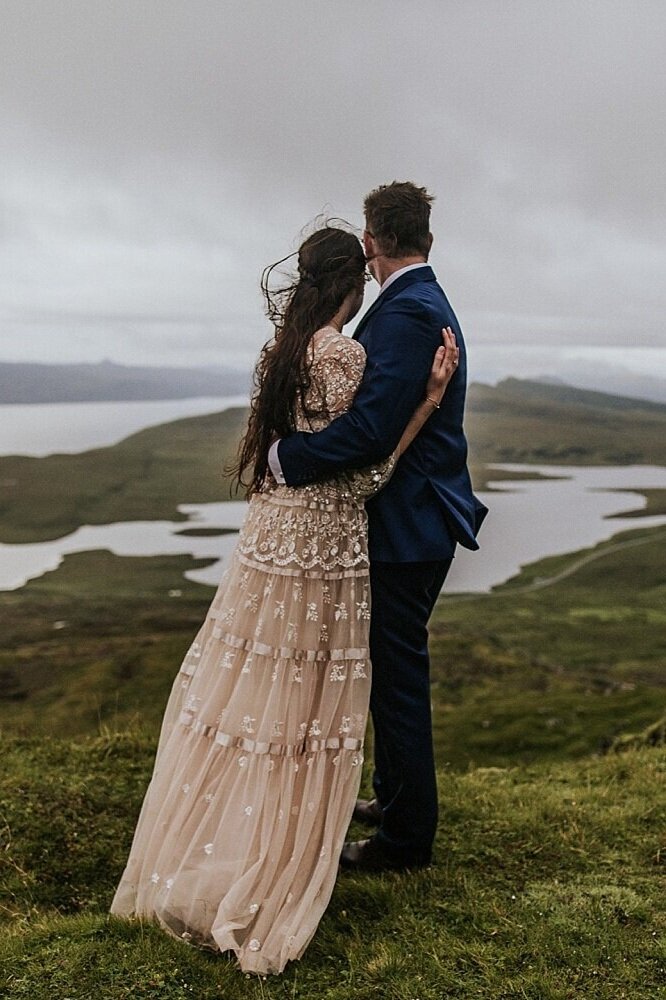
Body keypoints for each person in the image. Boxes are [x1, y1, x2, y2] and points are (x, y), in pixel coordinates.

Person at [109, 224, 459, 975]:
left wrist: (281, 461)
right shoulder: (343, 353)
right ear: (353, 283)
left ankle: (227, 832)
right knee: (305, 694)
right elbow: (364, 472)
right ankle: (281, 850)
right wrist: (426, 404)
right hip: (323, 547)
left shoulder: (280, 352)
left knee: (252, 683)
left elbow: (280, 450)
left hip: (267, 540)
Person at [270, 183, 488, 873]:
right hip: (410, 521)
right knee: (390, 671)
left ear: (372, 241)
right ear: (424, 235)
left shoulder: (410, 313)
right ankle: (395, 799)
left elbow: (370, 431)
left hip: (408, 526)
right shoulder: (418, 302)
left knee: (396, 679)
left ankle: (404, 840)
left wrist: (285, 458)